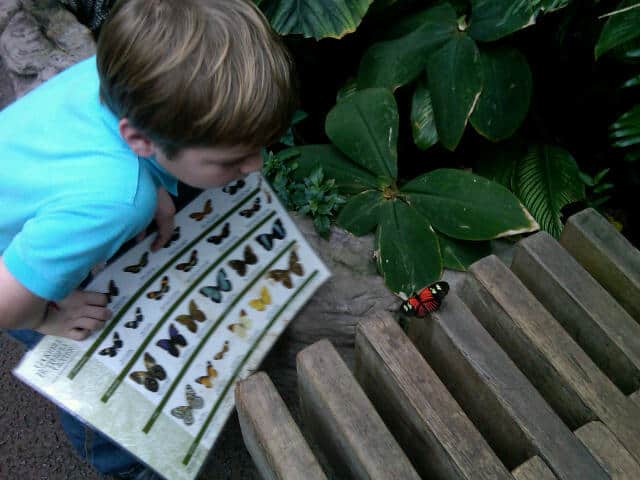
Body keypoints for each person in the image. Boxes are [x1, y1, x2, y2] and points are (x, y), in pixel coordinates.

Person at [0, 0, 295, 477]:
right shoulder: (114, 199)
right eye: (230, 160)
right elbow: (4, 302)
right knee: (92, 377)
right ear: (139, 139)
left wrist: (149, 181)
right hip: (9, 269)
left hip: (24, 191)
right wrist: (50, 315)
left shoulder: (110, 75)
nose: (255, 167)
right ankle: (124, 462)